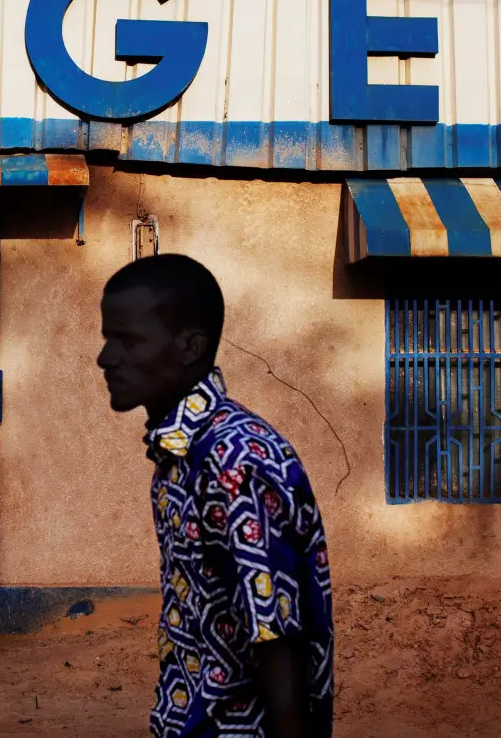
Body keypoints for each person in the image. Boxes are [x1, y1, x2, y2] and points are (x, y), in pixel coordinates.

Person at [97, 254, 334, 738]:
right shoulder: (180, 452)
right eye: (107, 337)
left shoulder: (235, 461)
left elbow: (275, 633)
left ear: (190, 346)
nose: (105, 357)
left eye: (126, 339)